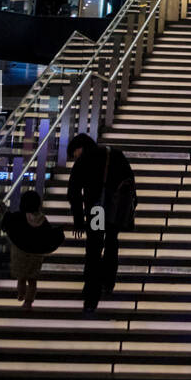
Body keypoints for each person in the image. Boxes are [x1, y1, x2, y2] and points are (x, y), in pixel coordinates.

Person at [67, 132, 136, 314]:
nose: (75, 157)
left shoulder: (84, 160)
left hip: (97, 210)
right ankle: (108, 282)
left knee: (94, 247)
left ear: (79, 148)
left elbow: (73, 192)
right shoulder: (116, 154)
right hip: (115, 210)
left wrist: (78, 220)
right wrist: (129, 209)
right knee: (112, 242)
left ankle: (91, 294)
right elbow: (131, 183)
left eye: (74, 153)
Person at [2, 189, 64, 311]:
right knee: (32, 280)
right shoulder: (42, 219)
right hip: (36, 254)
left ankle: (20, 294)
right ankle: (28, 302)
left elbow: (8, 220)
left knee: (21, 277)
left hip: (21, 252)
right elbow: (49, 235)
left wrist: (3, 209)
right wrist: (60, 231)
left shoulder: (19, 217)